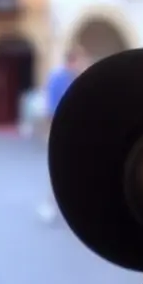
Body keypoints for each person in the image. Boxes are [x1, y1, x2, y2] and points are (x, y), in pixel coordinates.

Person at [37, 46, 88, 223]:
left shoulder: (72, 78)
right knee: (58, 169)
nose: (81, 65)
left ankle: (71, 208)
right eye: (80, 61)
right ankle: (49, 206)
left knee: (73, 170)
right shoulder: (58, 78)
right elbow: (51, 108)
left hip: (72, 131)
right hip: (59, 130)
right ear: (72, 61)